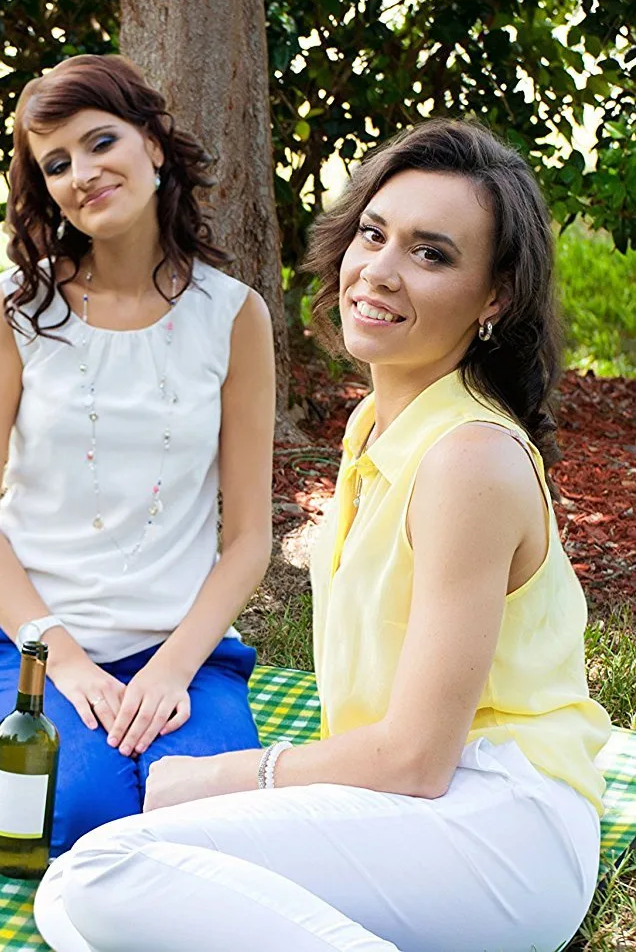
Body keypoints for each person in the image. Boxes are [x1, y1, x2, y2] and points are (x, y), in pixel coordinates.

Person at [34, 118, 613, 952]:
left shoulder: (468, 461)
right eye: (374, 235)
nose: (378, 271)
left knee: (105, 871)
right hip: (411, 807)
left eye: (431, 254)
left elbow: (417, 757)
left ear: (497, 298)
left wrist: (230, 777)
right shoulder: (377, 423)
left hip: (499, 823)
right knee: (78, 899)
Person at [0, 54, 276, 855]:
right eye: (55, 163)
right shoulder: (19, 307)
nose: (81, 174)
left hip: (183, 652)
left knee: (202, 825)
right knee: (80, 814)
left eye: (100, 143)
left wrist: (169, 669)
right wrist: (65, 661)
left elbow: (249, 540)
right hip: (27, 647)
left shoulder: (234, 316)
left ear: (154, 145)